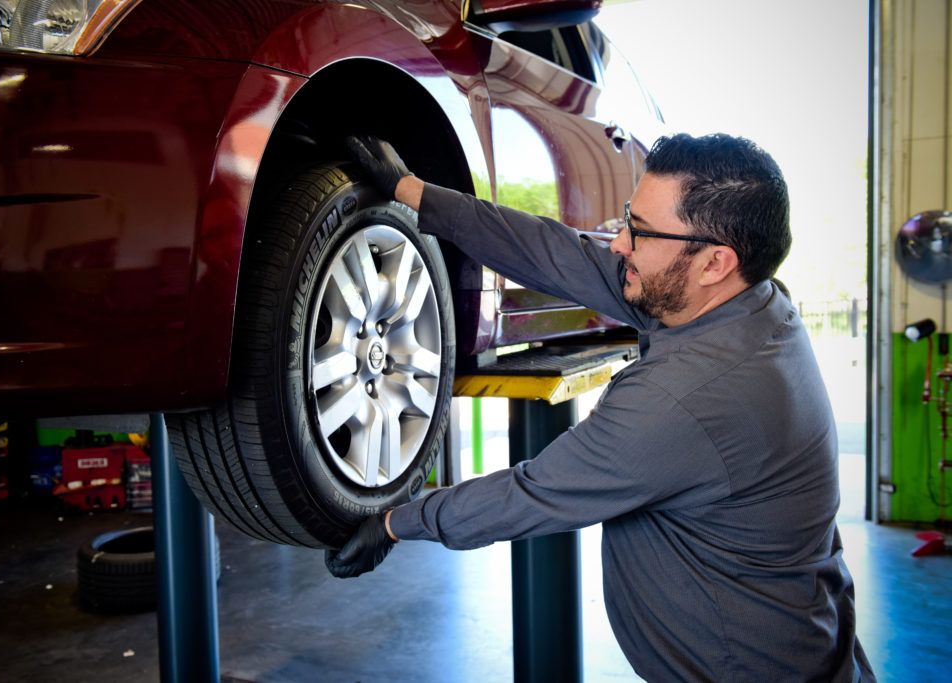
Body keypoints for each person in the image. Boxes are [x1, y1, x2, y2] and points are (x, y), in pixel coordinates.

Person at [326, 133, 874, 681]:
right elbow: (557, 252)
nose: (619, 244)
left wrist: (397, 522)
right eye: (626, 221)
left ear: (714, 262)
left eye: (639, 231)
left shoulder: (687, 397)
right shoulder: (745, 302)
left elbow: (532, 494)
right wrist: (416, 193)